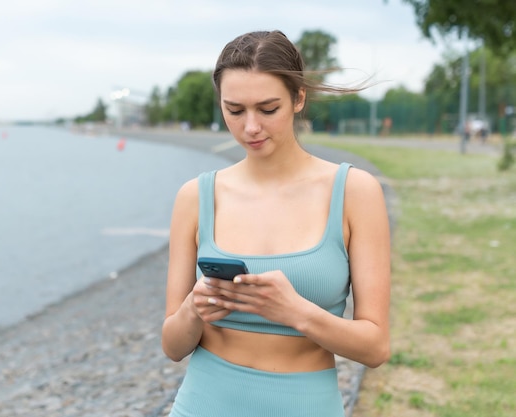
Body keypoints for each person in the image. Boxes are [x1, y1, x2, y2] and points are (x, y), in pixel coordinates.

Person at [162, 30, 391, 417]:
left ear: (298, 98)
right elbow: (172, 346)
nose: (250, 127)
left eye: (268, 109)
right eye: (234, 110)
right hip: (202, 403)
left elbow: (375, 347)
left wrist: (294, 311)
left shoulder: (354, 192)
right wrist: (193, 309)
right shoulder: (195, 197)